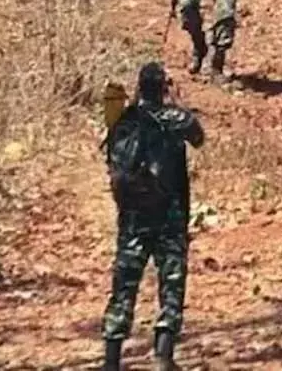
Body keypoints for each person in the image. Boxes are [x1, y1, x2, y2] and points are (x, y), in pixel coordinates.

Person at [102, 62, 205, 371]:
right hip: (169, 217)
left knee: (123, 287)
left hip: (132, 219)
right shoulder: (175, 118)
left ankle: (111, 359)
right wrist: (175, 100)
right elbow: (198, 136)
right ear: (162, 88)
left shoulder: (122, 121)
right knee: (171, 283)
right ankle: (163, 355)